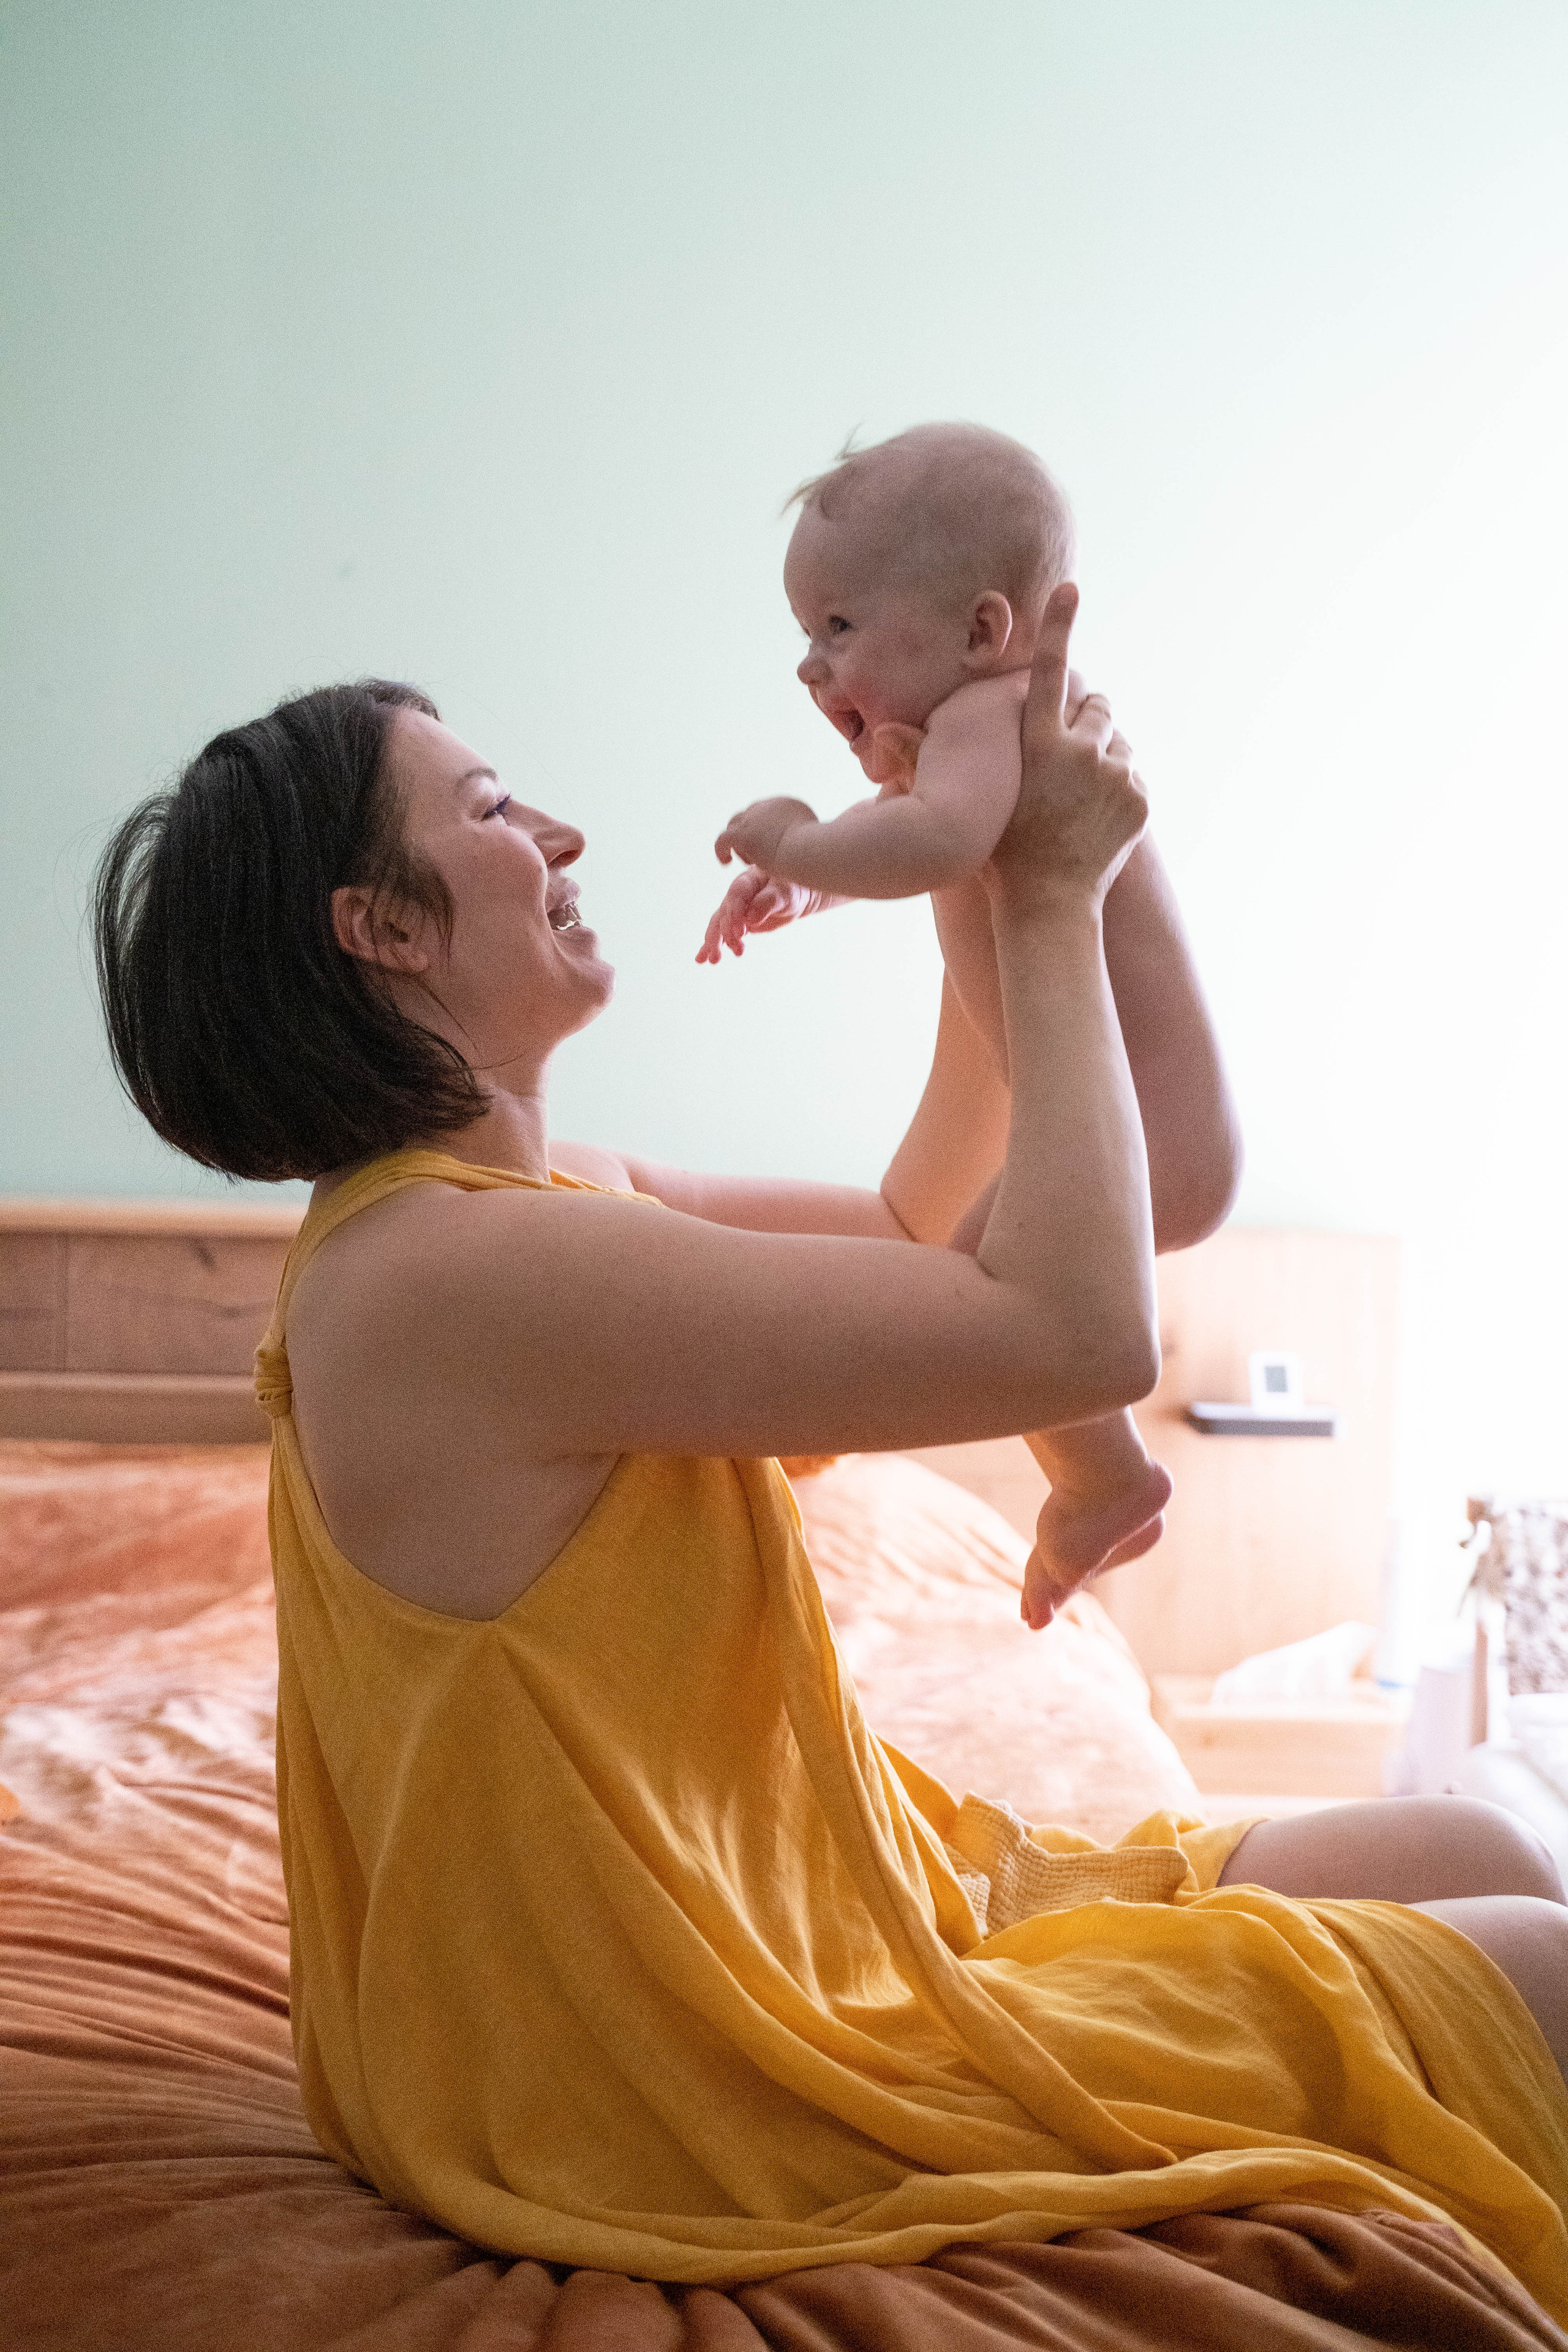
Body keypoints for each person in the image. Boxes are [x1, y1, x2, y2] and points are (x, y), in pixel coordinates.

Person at [92, 603, 1568, 2311]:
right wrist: (1050, 898)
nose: (561, 835)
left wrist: (966, 859)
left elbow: (913, 1226)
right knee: (1539, 1969)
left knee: (1480, 1850)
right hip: (661, 2068)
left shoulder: (548, 1212)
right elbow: (1070, 1332)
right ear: (382, 927)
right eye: (492, 809)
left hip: (826, 1901)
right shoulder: (449, 1277)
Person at [698, 424, 1182, 1619]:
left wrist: (792, 839)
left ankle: (1106, 1480)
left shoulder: (996, 719)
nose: (811, 667)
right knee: (974, 1281)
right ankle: (1104, 1480)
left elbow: (937, 841)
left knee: (984, 1292)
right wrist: (812, 885)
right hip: (1134, 1131)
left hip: (1146, 1134)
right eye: (806, 634)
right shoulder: (997, 738)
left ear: (980, 629)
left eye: (839, 628)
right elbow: (928, 837)